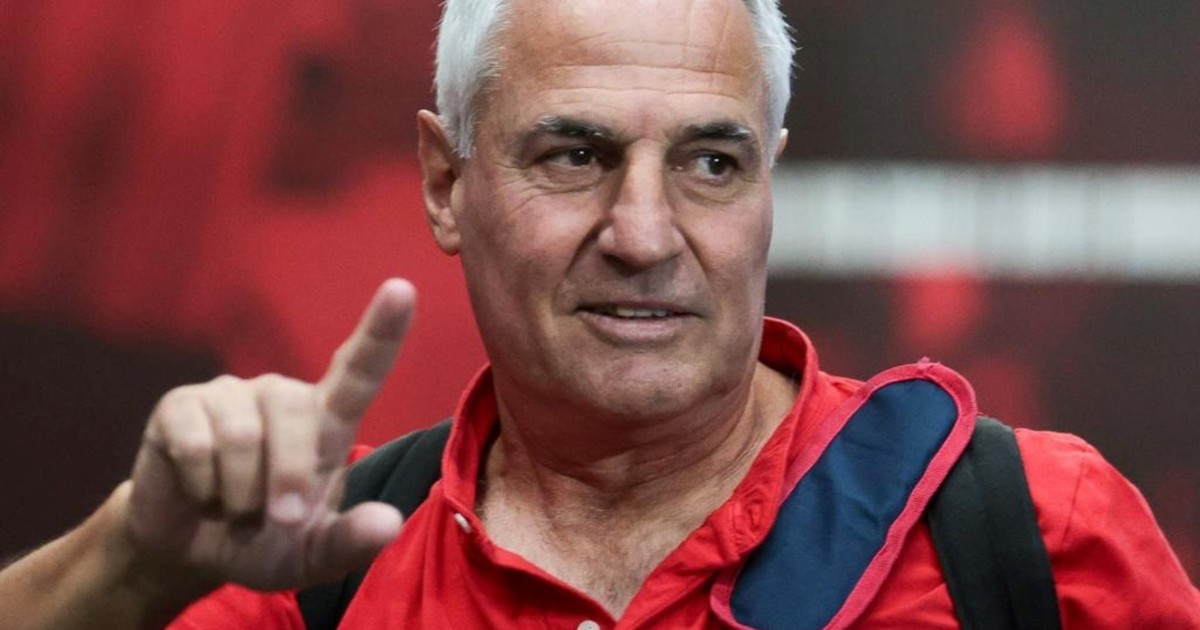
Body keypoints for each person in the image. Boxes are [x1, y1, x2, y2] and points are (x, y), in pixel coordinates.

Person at [1, 0, 1197, 627]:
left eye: (712, 164)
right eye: (574, 156)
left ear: (769, 188)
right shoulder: (311, 571)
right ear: (445, 184)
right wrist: (131, 559)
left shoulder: (1032, 530)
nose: (643, 233)